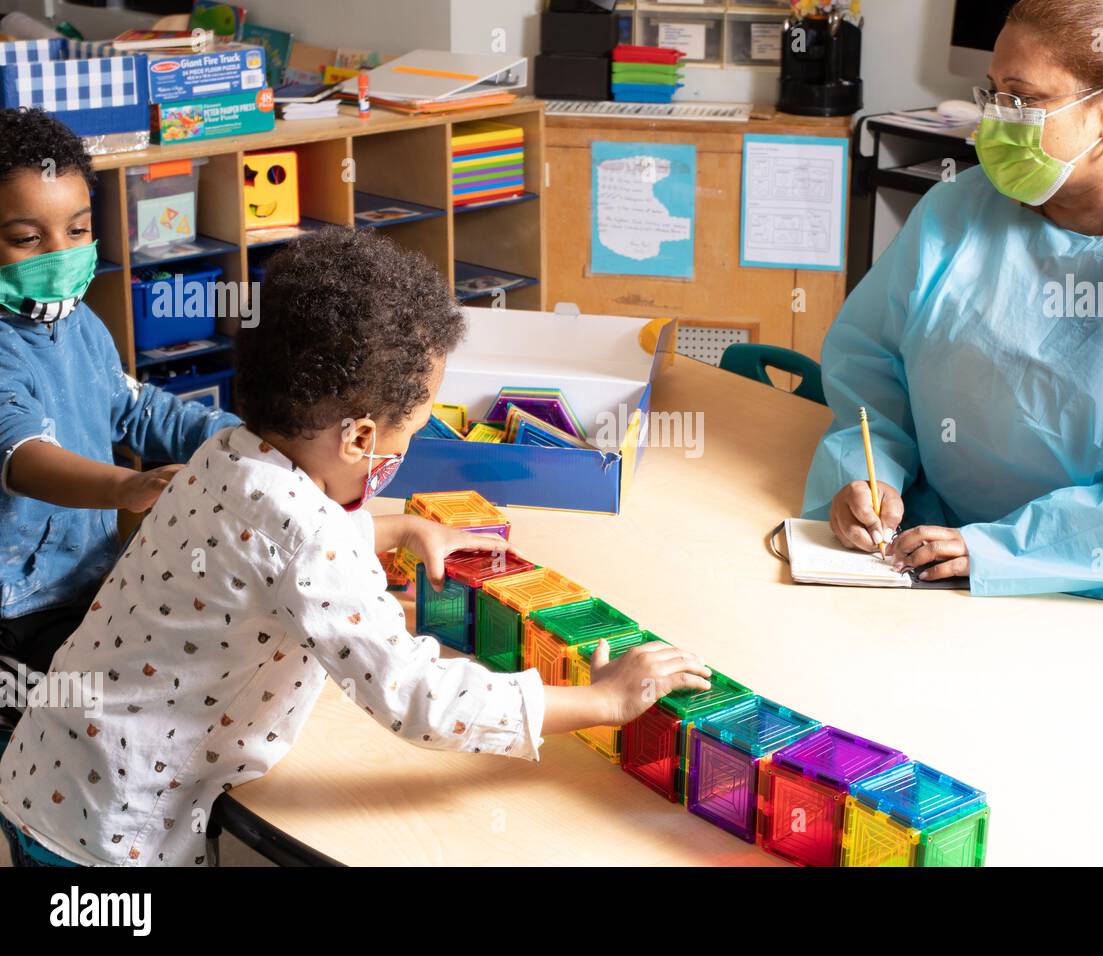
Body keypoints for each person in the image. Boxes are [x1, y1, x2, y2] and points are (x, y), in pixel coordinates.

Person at [0, 227, 711, 866]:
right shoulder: (308, 537)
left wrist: (392, 529)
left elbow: (260, 543)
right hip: (110, 835)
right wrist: (603, 701)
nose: (411, 443)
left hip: (49, 774)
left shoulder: (225, 452)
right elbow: (420, 699)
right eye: (416, 425)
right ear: (362, 438)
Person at [805, 0, 1103, 612]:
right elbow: (871, 365)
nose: (994, 121)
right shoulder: (956, 212)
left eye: (1022, 99)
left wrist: (1008, 551)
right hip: (940, 548)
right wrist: (866, 472)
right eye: (992, 94)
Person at [0, 108, 237, 743]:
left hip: (92, 581)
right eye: (27, 239)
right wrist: (121, 489)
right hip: (17, 609)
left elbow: (138, 408)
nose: (61, 253)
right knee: (51, 747)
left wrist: (238, 437)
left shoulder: (80, 324)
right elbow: (22, 456)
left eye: (77, 230)